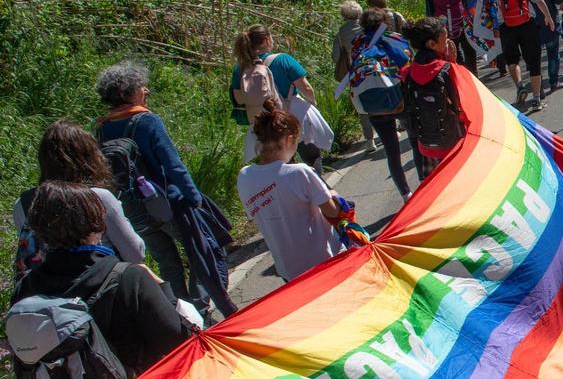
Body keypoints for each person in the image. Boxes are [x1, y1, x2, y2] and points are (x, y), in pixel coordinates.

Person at [10, 182, 194, 379]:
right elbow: (180, 344)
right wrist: (164, 289)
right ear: (95, 221)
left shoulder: (25, 291)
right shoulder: (128, 278)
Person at [97, 62, 238, 319]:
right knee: (206, 251)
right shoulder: (147, 120)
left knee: (168, 263)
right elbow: (172, 163)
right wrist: (194, 197)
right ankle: (201, 306)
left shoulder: (103, 128)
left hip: (135, 210)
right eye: (141, 86)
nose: (146, 90)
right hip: (170, 203)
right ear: (129, 92)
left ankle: (185, 315)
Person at [13, 121, 147, 278]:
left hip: (46, 293)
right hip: (96, 289)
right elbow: (135, 254)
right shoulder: (98, 197)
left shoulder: (23, 203)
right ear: (88, 157)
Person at [237, 99, 344, 283]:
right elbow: (332, 211)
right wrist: (334, 196)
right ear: (289, 139)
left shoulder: (244, 176)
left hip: (289, 270)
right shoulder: (299, 172)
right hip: (324, 260)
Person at [346, 8, 415, 200]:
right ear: (385, 22)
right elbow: (407, 62)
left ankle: (405, 193)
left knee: (392, 152)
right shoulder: (394, 38)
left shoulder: (357, 44)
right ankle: (425, 184)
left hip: (373, 106)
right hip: (399, 100)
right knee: (415, 141)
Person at [229, 25, 320, 167]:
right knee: (310, 154)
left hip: (263, 122)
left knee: (281, 164)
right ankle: (316, 180)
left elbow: (238, 99)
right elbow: (306, 87)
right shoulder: (283, 59)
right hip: (291, 113)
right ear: (266, 40)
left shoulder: (239, 69)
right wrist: (312, 104)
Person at [401, 17, 468, 177]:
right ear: (431, 44)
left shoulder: (407, 73)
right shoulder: (449, 69)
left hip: (427, 145)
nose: (448, 43)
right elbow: (463, 99)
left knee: (440, 185)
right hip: (453, 141)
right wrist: (453, 63)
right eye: (444, 40)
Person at [494, 0, 554, 112]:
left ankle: (520, 85)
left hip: (506, 25)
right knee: (534, 62)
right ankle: (536, 100)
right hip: (527, 23)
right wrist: (548, 17)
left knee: (512, 60)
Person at [333, 0, 374, 150]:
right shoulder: (368, 27)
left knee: (361, 105)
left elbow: (335, 58)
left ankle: (369, 140)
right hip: (373, 67)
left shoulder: (340, 34)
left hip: (355, 74)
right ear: (359, 12)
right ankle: (389, 128)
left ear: (344, 15)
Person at [425, 0, 473, 75]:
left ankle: (457, 77)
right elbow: (468, 4)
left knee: (451, 54)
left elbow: (430, 12)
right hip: (462, 25)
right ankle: (473, 76)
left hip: (443, 28)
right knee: (469, 52)